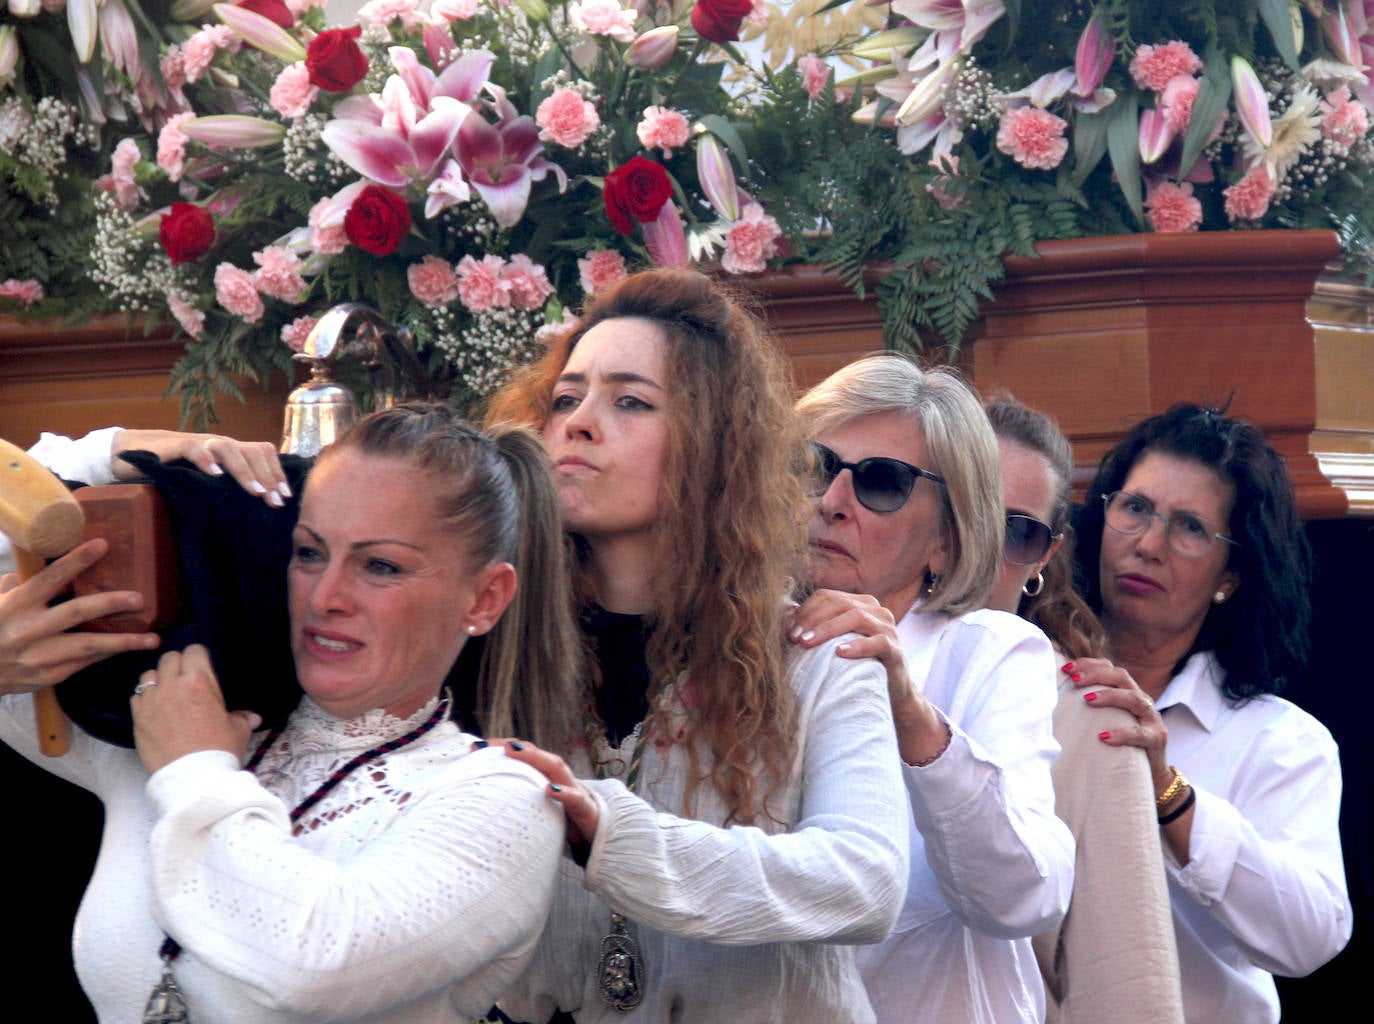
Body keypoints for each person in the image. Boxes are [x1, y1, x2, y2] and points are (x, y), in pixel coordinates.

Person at [0, 404, 575, 1022]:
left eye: (380, 565)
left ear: (485, 599)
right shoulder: (183, 721)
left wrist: (196, 771)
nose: (326, 597)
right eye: (308, 553)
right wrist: (113, 450)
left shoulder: (504, 800)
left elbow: (313, 967)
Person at [482, 268, 910, 1022]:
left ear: (713, 445)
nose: (579, 423)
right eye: (565, 398)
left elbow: (865, 881)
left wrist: (614, 840)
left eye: (631, 401)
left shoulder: (815, 654)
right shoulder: (495, 645)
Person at [785, 355, 1074, 1024]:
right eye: (816, 465)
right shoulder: (731, 634)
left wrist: (913, 717)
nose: (833, 501)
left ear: (944, 541)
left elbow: (1025, 896)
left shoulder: (989, 652)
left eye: (881, 483)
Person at [1070, 402, 1352, 1024]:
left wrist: (1170, 795)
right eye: (1135, 508)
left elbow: (1312, 937)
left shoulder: (1280, 740)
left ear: (1231, 576)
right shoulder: (1022, 676)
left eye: (1191, 527)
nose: (1147, 545)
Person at [984, 396, 1183, 1024]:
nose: (983, 549)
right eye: (967, 512)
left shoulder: (1093, 717)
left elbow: (1129, 989)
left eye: (1017, 532)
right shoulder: (813, 661)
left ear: (1045, 556)